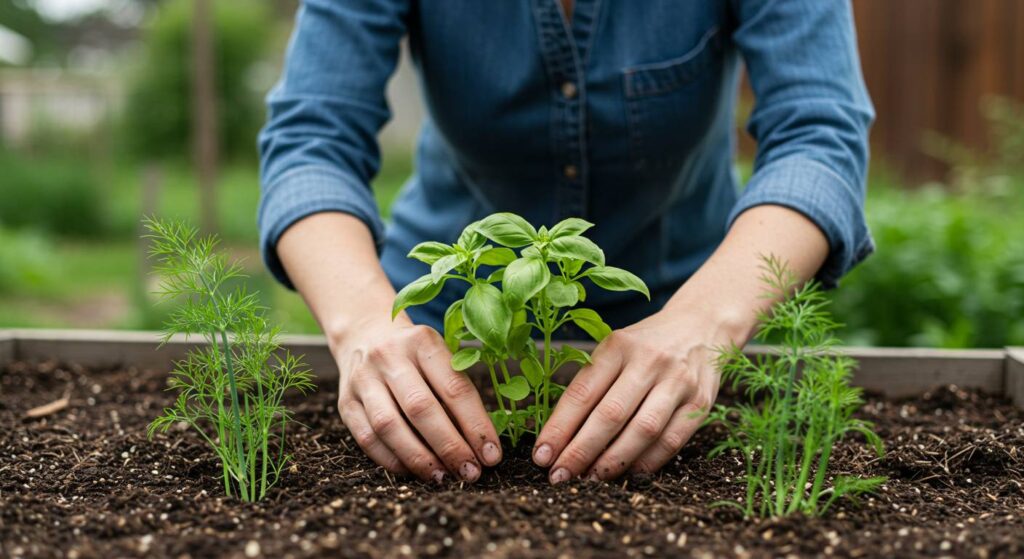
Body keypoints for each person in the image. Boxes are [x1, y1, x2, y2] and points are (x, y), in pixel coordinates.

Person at [258, 1, 874, 485]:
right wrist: (363, 324)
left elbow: (818, 133)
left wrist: (707, 322)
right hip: (446, 339)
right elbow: (312, 138)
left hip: (686, 316)